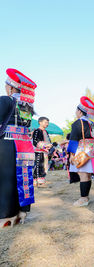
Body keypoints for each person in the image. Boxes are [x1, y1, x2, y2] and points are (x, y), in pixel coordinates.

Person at [0, 68, 37, 228]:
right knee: (24, 177)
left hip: (8, 143)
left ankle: (6, 216)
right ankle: (23, 211)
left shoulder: (6, 100)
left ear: (11, 87)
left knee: (6, 178)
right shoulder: (27, 106)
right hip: (24, 145)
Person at [67, 96, 94, 207]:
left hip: (81, 150)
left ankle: (83, 198)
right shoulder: (91, 124)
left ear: (80, 111)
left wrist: (71, 155)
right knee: (87, 175)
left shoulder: (78, 123)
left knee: (83, 175)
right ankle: (86, 196)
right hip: (91, 151)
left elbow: (73, 140)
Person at [32, 117, 52, 186]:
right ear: (40, 122)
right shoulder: (37, 131)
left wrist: (49, 146)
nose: (47, 124)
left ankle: (41, 180)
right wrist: (44, 146)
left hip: (45, 152)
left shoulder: (46, 132)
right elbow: (35, 141)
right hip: (39, 151)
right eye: (45, 122)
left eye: (48, 122)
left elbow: (49, 141)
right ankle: (36, 181)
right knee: (38, 165)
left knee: (44, 166)